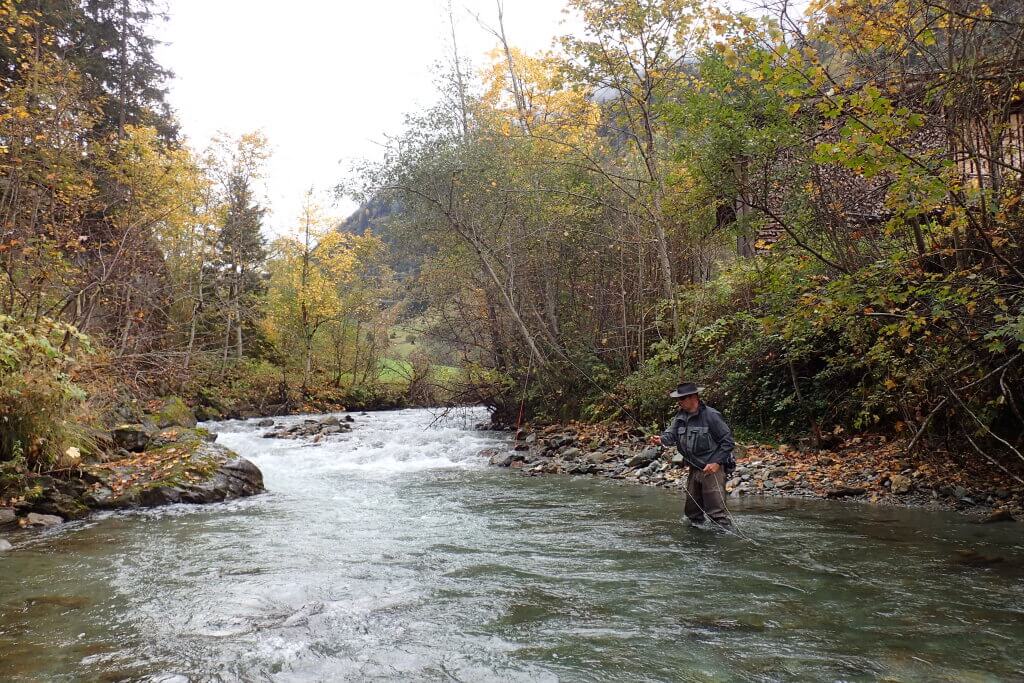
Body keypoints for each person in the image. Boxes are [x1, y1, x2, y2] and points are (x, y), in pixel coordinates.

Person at [650, 382, 736, 530]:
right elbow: (671, 434)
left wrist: (716, 463)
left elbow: (728, 442)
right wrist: (661, 439)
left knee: (717, 514)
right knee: (692, 513)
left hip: (712, 470)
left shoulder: (711, 416)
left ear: (694, 397)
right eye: (679, 399)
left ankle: (723, 542)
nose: (679, 402)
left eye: (682, 398)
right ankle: (695, 541)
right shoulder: (680, 416)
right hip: (694, 469)